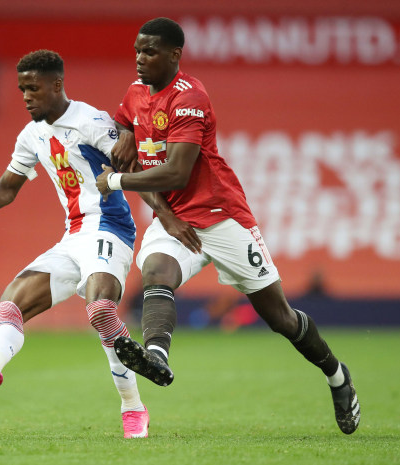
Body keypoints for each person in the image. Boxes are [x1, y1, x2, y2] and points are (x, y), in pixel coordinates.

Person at [95, 17, 360, 435]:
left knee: (280, 318)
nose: (140, 59)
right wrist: (161, 210)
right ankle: (157, 356)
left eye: (149, 52)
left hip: (221, 217)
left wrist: (116, 180)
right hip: (174, 218)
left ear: (175, 55)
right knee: (156, 272)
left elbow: (175, 172)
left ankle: (337, 375)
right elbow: (136, 155)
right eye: (137, 51)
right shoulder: (133, 95)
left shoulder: (190, 98)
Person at [0, 50, 149, 438]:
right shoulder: (31, 136)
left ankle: (133, 407)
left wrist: (168, 219)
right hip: (74, 236)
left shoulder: (92, 122)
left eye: (33, 88)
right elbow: (6, 189)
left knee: (100, 310)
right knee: (10, 302)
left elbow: (135, 170)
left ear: (56, 85)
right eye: (21, 90)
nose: (26, 97)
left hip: (112, 230)